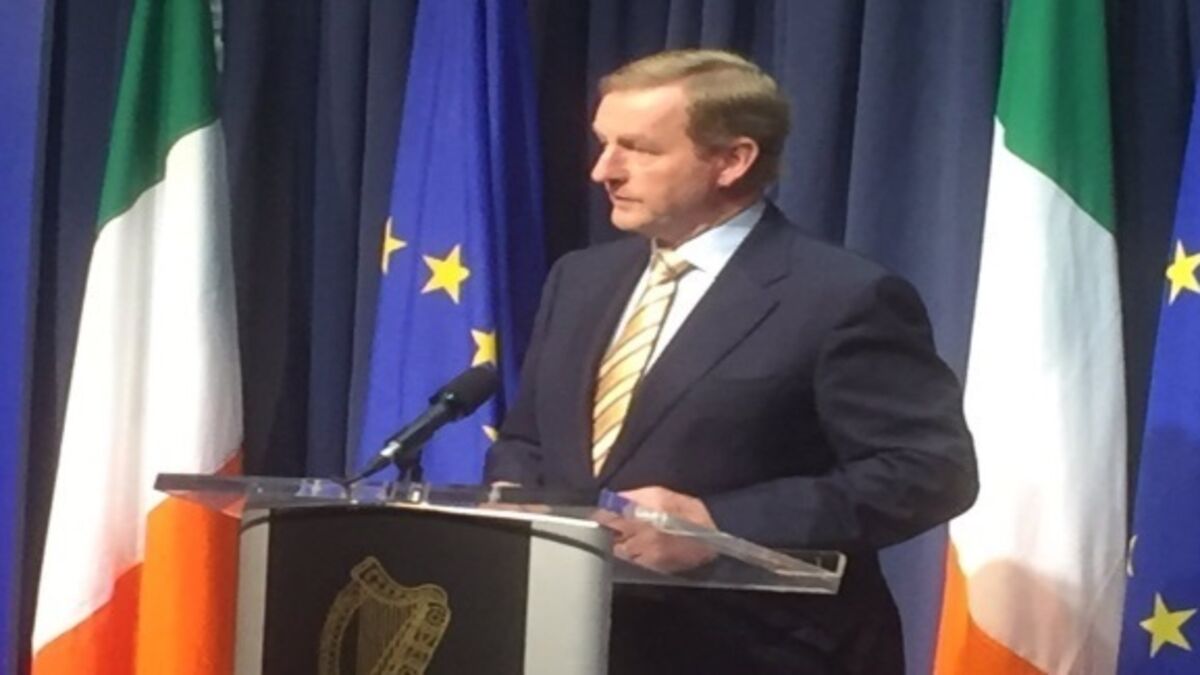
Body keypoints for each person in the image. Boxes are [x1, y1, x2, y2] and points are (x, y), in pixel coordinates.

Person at [485, 49, 977, 674]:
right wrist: (519, 504)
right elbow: (529, 439)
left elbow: (929, 472)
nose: (603, 170)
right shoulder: (580, 279)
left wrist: (717, 523)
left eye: (638, 148)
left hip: (759, 651)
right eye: (605, 143)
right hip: (578, 642)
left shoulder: (842, 295)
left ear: (733, 160)